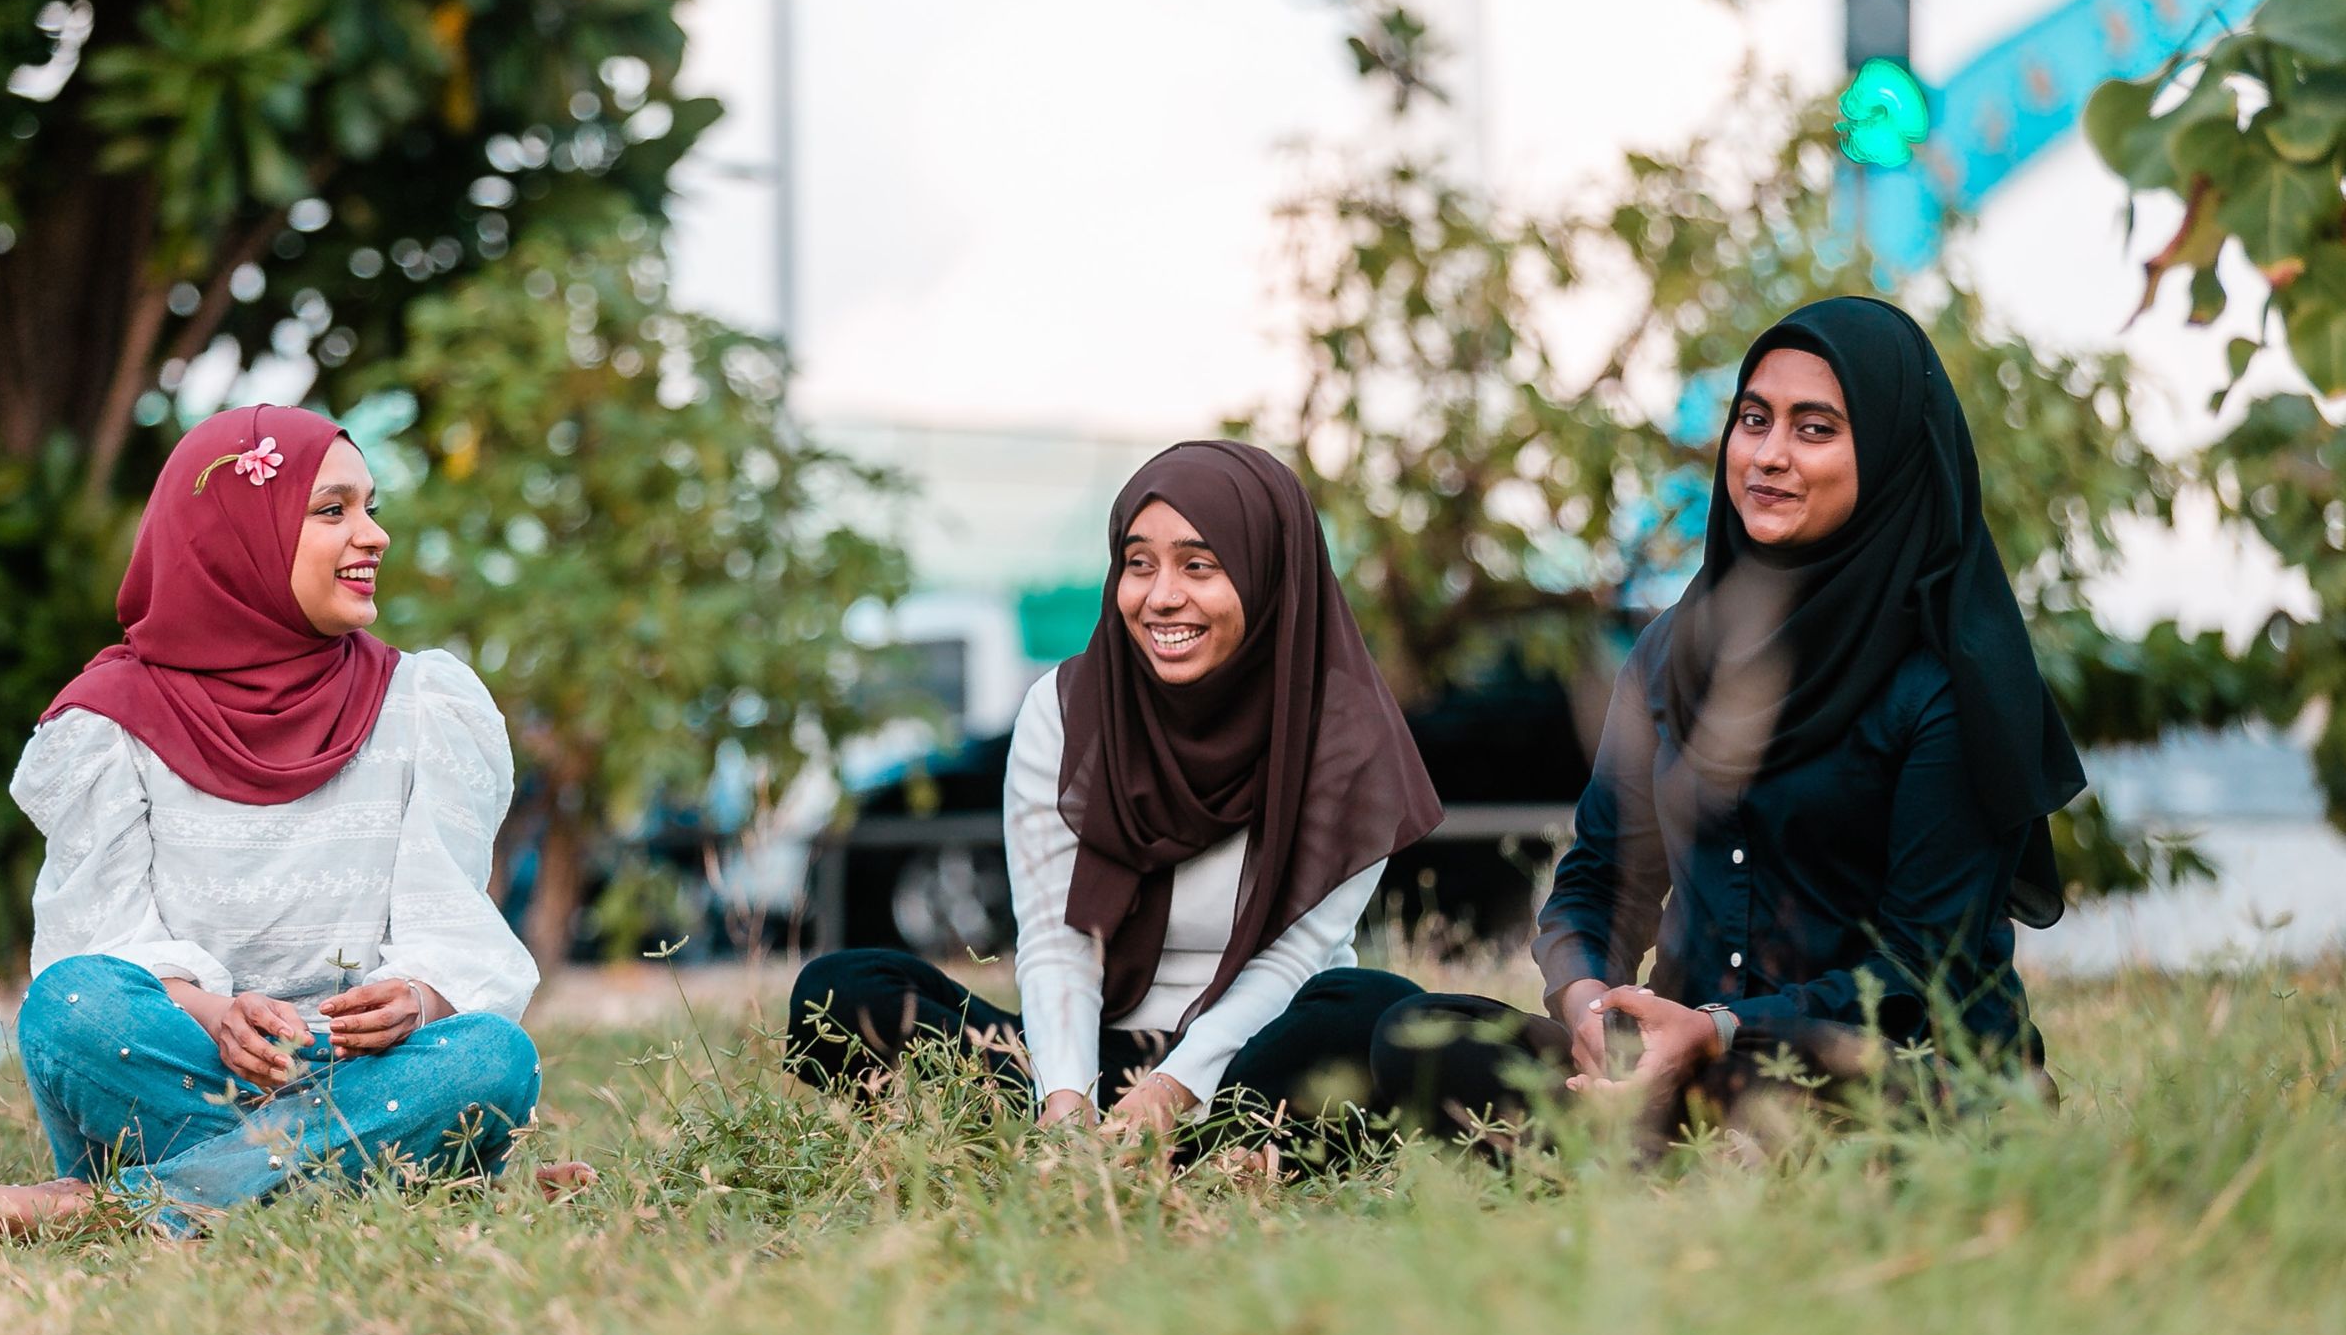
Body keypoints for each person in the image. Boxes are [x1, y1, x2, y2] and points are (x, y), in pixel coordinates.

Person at [1374, 296, 2085, 1144]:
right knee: (1404, 1030)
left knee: (1802, 1088)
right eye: (1754, 419)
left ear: (1891, 454)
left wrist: (1715, 1030)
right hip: (1684, 1050)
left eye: (1815, 428)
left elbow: (1917, 969)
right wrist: (1596, 1006)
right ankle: (1651, 1120)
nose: (1769, 455)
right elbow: (1600, 879)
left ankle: (1655, 1133)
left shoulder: (1947, 679)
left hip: (1890, 1065)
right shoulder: (1677, 649)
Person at [0, 405, 582, 1239]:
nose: (375, 535)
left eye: (371, 506)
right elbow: (100, 941)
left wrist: (418, 999)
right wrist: (214, 1014)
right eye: (333, 510)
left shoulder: (421, 706)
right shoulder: (110, 727)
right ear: (236, 536)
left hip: (364, 1073)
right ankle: (407, 1181)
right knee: (68, 1003)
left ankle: (114, 1206)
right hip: (188, 1066)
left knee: (489, 1058)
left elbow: (454, 931)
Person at [789, 440, 1442, 1146]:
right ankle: (1187, 1152)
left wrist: (1165, 1094)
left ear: (1269, 573)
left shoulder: (1343, 733)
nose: (1161, 596)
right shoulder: (1066, 712)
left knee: (1378, 1012)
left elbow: (1292, 958)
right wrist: (1068, 1101)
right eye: (1139, 563)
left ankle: (1189, 1141)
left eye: (1199, 565)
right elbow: (1056, 937)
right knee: (841, 988)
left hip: (1262, 1051)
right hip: (1094, 1055)